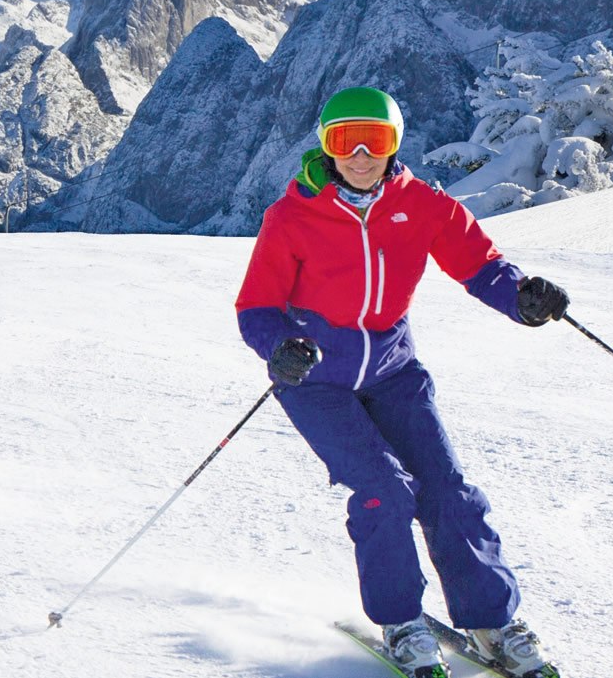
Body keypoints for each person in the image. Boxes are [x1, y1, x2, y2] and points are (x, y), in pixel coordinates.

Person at [235, 87, 566, 678]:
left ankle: (492, 621)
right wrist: (279, 348)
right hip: (317, 381)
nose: (360, 155)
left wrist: (523, 298)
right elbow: (257, 306)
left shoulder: (424, 205)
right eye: (344, 141)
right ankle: (402, 622)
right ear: (326, 148)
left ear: (395, 144)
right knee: (385, 490)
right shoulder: (292, 215)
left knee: (447, 488)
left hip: (394, 372)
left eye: (376, 141)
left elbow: (481, 265)